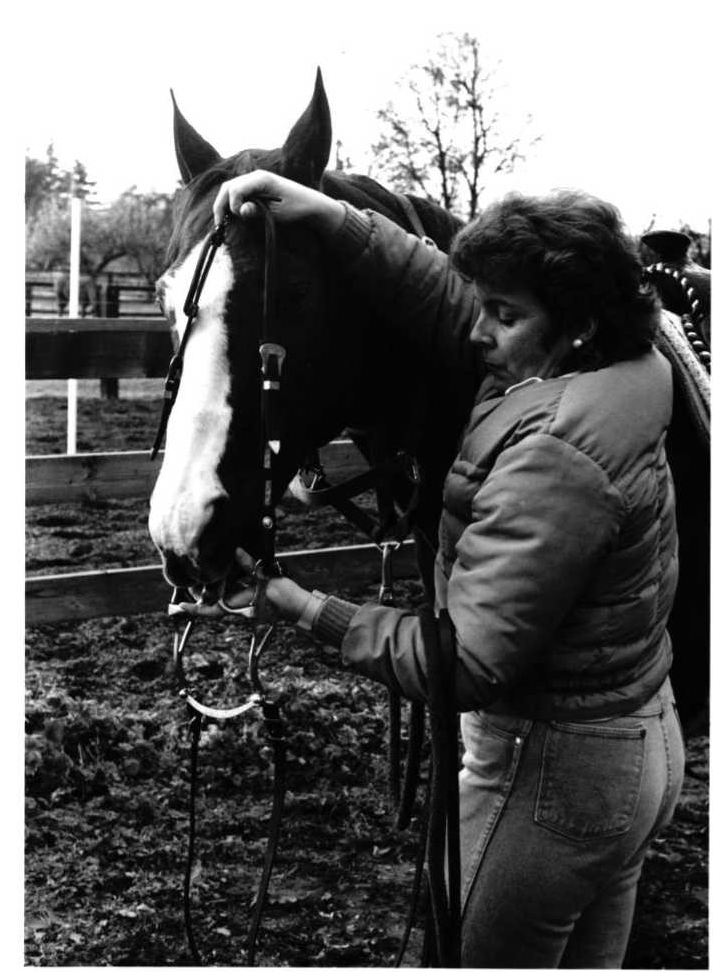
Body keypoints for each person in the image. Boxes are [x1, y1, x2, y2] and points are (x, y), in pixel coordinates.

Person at [180, 173, 685, 968]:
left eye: (505, 314)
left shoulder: (553, 455)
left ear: (577, 324)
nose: (479, 330)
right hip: (634, 743)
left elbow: (467, 661)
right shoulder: (615, 375)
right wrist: (325, 211)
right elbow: (446, 297)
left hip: (548, 771)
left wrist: (306, 608)